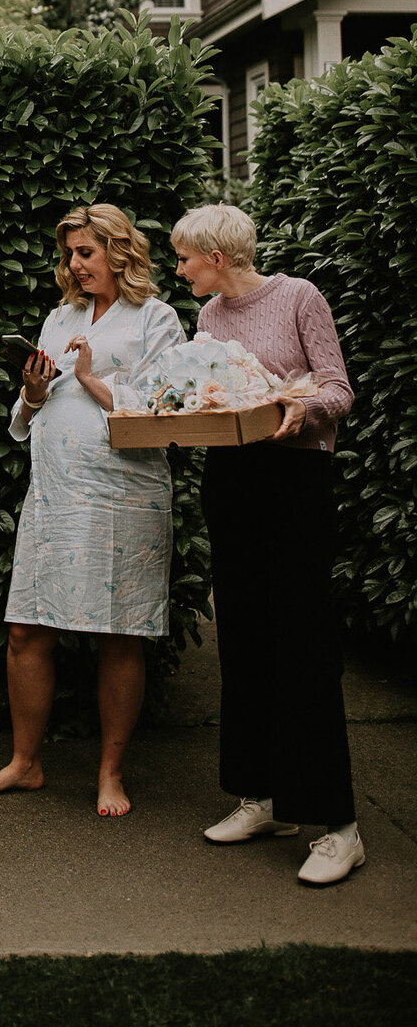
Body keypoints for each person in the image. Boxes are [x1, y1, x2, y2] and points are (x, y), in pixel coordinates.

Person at [0, 203, 185, 817]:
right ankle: (24, 762)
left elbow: (168, 404)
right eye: (69, 254)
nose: (74, 264)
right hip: (56, 492)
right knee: (27, 627)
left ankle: (110, 773)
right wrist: (34, 390)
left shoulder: (157, 318)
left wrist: (90, 378)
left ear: (118, 252)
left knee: (120, 632)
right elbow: (33, 403)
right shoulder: (60, 316)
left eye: (85, 252)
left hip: (124, 494)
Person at [171, 202, 361, 886]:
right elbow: (212, 394)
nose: (180, 268)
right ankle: (264, 799)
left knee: (302, 644)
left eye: (186, 257)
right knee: (245, 637)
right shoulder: (209, 318)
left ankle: (340, 826)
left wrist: (299, 409)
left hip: (295, 483)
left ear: (216, 256)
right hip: (233, 482)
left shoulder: (299, 298)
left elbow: (338, 389)